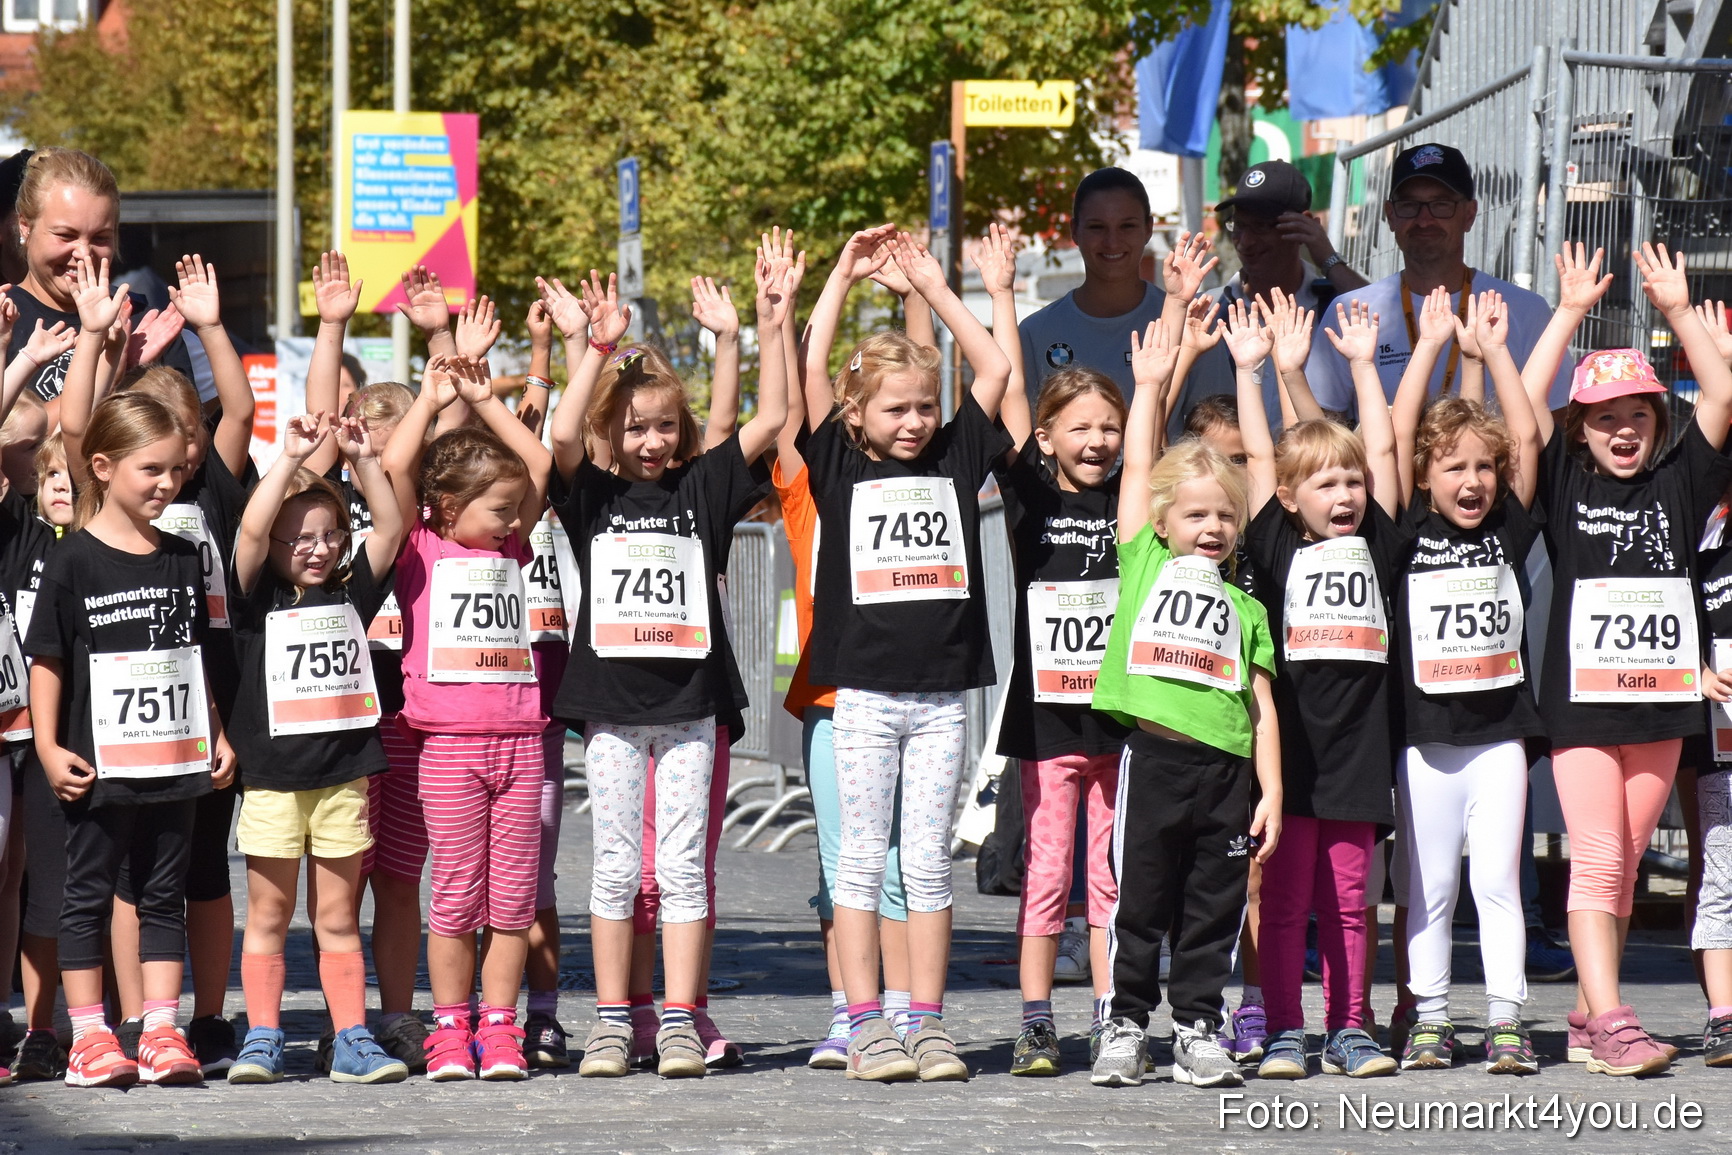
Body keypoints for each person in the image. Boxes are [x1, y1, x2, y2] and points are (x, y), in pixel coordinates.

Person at [543, 263, 787, 1080]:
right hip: (613, 709)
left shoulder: (703, 487)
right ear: (616, 432)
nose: (653, 441)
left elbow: (771, 415)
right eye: (637, 427)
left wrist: (734, 336)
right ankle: (615, 1019)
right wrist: (594, 351)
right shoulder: (593, 495)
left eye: (665, 427)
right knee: (615, 866)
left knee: (682, 868)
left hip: (690, 707)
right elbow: (562, 438)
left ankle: (680, 1015)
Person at [797, 226, 1011, 1083]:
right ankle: (862, 1022)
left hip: (941, 695)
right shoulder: (839, 462)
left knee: (926, 862)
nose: (916, 421)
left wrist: (935, 282)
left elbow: (991, 370)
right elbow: (812, 370)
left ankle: (925, 1020)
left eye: (925, 406)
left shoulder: (959, 452)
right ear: (858, 416)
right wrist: (843, 276)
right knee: (858, 858)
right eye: (897, 408)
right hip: (866, 695)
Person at [1519, 243, 1732, 1076]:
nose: (1621, 430)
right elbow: (1526, 403)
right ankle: (1610, 1018)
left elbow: (1720, 393)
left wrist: (1680, 311)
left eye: (1637, 415)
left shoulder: (1682, 479)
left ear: (1657, 421)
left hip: (1662, 708)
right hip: (1580, 708)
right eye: (1604, 417)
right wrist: (1567, 311)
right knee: (1601, 856)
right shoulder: (1563, 479)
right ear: (1583, 427)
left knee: (1630, 860)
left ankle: (1581, 1013)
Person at [59, 251, 256, 1074]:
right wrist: (100, 344)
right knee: (115, 877)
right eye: (157, 461)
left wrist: (211, 329)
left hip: (200, 702)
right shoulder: (104, 510)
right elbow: (79, 431)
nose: (171, 477)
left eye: (186, 455)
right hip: (111, 723)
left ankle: (197, 1016)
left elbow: (239, 413)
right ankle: (126, 1020)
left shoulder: (206, 492)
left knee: (197, 867)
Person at [1087, 319, 1280, 1089]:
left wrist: (1273, 787)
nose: (1212, 526)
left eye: (1225, 516)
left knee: (1212, 907)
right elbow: (1138, 464)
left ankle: (1198, 1025)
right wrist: (1148, 384)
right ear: (1162, 523)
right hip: (1157, 760)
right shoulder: (1143, 561)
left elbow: (1261, 704)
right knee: (1142, 901)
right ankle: (1125, 1022)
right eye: (1196, 514)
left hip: (1228, 775)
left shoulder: (1248, 607)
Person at [25, 391, 237, 1087]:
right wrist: (50, 746)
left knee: (162, 893)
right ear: (103, 466)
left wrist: (215, 730)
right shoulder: (74, 560)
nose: (167, 483)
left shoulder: (183, 556)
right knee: (86, 892)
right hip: (98, 761)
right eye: (151, 469)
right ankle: (88, 1034)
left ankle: (161, 1027)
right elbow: (48, 660)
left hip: (175, 759)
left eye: (176, 470)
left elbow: (192, 651)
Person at [1228, 296, 1402, 1081]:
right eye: (1324, 484)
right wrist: (1250, 370)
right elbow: (1264, 457)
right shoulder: (1271, 541)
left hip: (1359, 753)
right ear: (1291, 501)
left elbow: (1383, 445)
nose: (1343, 495)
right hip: (1292, 750)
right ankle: (1286, 1029)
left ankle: (1351, 1026)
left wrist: (1365, 368)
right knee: (1287, 896)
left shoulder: (1376, 541)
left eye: (1350, 482)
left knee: (1351, 898)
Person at [979, 219, 1132, 1076]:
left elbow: (1149, 421)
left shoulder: (1133, 498)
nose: (1097, 442)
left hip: (1121, 717)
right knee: (1047, 875)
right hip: (1046, 723)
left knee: (1111, 878)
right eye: (1078, 428)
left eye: (1108, 429)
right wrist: (1001, 296)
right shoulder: (1033, 493)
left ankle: (1113, 1012)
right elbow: (1007, 399)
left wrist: (1177, 321)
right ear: (1046, 439)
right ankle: (1037, 1017)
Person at [378, 352, 555, 1082]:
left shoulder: (513, 544)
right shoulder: (418, 546)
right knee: (454, 893)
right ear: (448, 508)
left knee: (512, 900)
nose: (515, 520)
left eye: (516, 509)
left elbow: (538, 462)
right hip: (447, 745)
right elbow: (394, 467)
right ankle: (450, 1026)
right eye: (500, 508)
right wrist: (428, 397)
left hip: (522, 742)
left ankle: (501, 1025)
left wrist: (490, 403)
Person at [223, 413, 409, 1085]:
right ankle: (264, 1035)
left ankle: (352, 1037)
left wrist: (361, 461)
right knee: (268, 916)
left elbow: (389, 527)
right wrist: (290, 458)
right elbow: (247, 530)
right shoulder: (254, 593)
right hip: (272, 777)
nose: (319, 548)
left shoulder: (350, 590)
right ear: (275, 542)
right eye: (301, 538)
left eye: (331, 534)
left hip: (343, 776)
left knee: (336, 917)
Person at [1387, 288, 1545, 1074]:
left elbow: (1523, 431)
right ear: (1426, 476)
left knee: (1497, 883)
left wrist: (1495, 352)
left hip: (1498, 738)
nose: (1474, 481)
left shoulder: (1510, 528)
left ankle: (1507, 1018)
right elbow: (1395, 433)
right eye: (1454, 468)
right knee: (1432, 885)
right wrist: (1429, 346)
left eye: (1485, 469)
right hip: (1425, 740)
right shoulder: (1408, 529)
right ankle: (1432, 1017)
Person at [302, 252, 433, 1073]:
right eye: (363, 445)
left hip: (408, 712)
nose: (374, 460)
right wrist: (334, 323)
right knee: (338, 882)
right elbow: (321, 424)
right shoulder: (327, 509)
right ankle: (345, 1018)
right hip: (337, 718)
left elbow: (428, 445)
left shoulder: (414, 515)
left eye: (390, 448)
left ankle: (396, 1014)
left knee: (399, 877)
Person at [1308, 143, 1573, 415]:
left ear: (1469, 215)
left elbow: (1556, 422)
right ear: (1391, 216)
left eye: (1441, 205)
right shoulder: (1350, 313)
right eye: (1409, 205)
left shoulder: (1524, 310)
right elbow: (1324, 429)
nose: (1424, 220)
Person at [1018, 168, 1233, 439]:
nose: (1112, 241)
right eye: (1097, 227)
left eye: (1127, 226)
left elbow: (1220, 433)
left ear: (1148, 229)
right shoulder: (1036, 333)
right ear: (1075, 231)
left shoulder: (1191, 325)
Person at [4, 149, 191, 415]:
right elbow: (13, 441)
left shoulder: (144, 324)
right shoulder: (4, 322)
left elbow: (189, 439)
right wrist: (114, 372)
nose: (83, 253)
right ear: (25, 225)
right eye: (66, 235)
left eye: (100, 238)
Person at [1204, 159, 1367, 427]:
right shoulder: (1212, 308)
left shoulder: (1332, 305)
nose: (1245, 241)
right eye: (1239, 225)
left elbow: (1385, 319)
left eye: (1261, 226)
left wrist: (1328, 258)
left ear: (1301, 226)